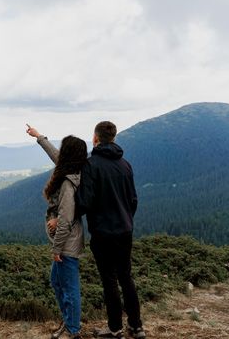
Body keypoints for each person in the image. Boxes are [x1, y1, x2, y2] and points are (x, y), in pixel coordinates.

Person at [75, 121, 145, 339]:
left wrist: (69, 208)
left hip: (103, 233)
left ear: (95, 138)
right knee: (126, 277)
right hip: (125, 231)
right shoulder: (125, 164)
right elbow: (133, 200)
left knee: (109, 280)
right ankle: (136, 326)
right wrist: (125, 220)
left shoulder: (91, 165)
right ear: (113, 138)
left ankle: (115, 329)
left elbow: (85, 202)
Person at [27, 125, 87, 339]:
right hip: (66, 243)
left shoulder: (68, 184)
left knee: (70, 289)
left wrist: (56, 249)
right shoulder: (70, 168)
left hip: (66, 245)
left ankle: (73, 329)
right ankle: (69, 321)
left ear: (69, 154)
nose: (60, 152)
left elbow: (67, 219)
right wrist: (39, 137)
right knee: (56, 282)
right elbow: (56, 156)